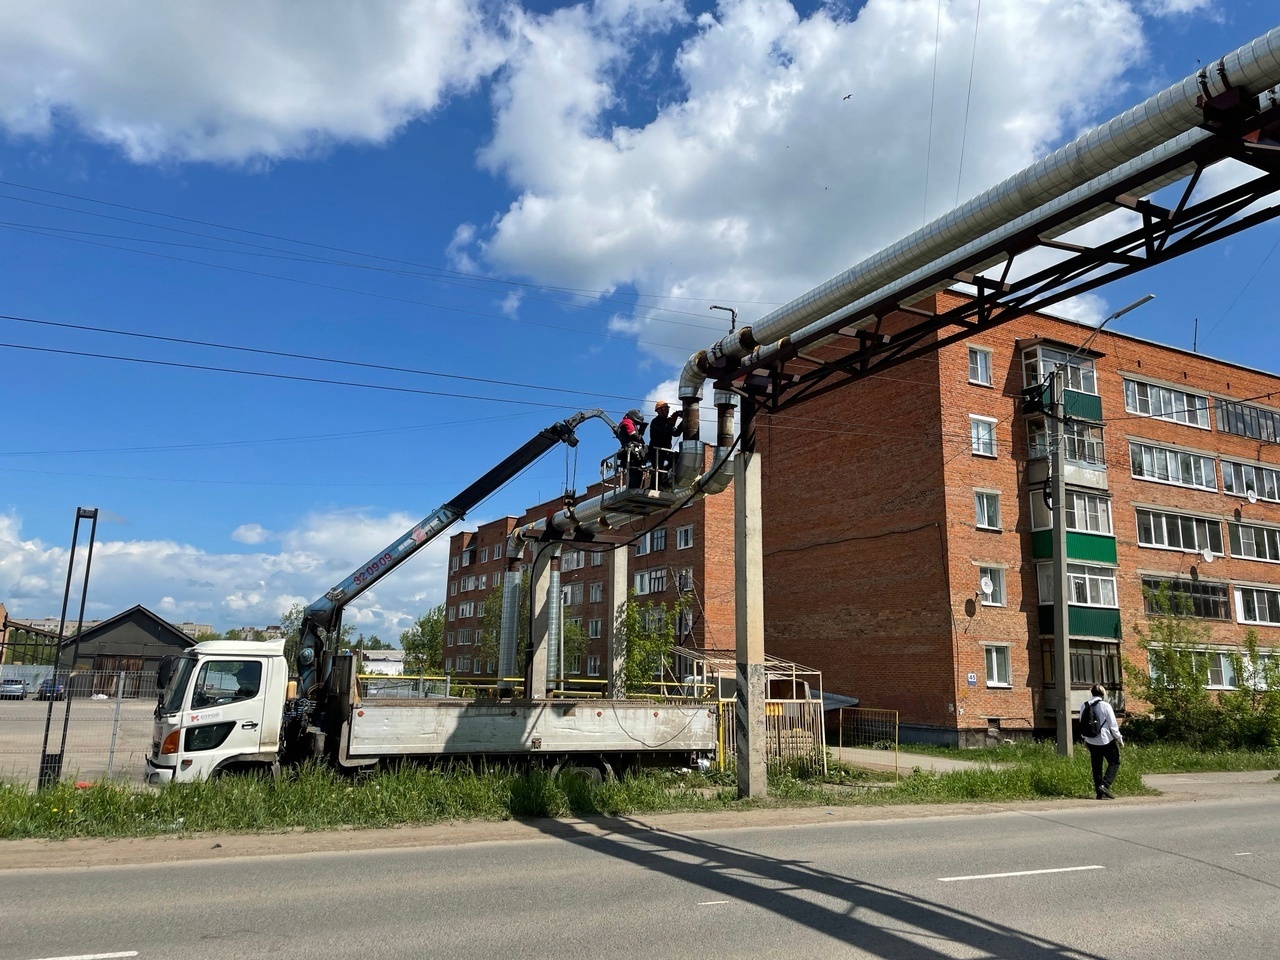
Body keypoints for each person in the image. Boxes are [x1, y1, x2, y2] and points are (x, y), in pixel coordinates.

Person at [1081, 684, 1123, 799]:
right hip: (1105, 740)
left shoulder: (1084, 705)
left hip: (1091, 740)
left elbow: (1082, 724)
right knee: (1114, 762)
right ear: (1103, 693)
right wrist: (1119, 739)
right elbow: (1113, 725)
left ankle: (1099, 794)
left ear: (1092, 693)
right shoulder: (1105, 706)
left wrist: (1085, 739)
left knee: (1096, 766)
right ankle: (1105, 785)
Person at [647, 400, 684, 488]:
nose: (667, 411)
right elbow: (666, 430)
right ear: (659, 410)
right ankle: (653, 487)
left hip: (665, 450)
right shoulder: (656, 422)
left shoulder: (667, 422)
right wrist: (673, 420)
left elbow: (675, 433)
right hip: (656, 450)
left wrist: (683, 422)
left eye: (667, 409)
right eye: (664, 409)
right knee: (657, 468)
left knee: (676, 458)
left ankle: (665, 478)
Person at [617, 408, 647, 488]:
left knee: (637, 474)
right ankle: (633, 489)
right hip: (631, 452)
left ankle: (634, 488)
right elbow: (633, 435)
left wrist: (640, 432)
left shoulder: (626, 422)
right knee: (635, 474)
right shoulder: (627, 422)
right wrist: (640, 434)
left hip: (631, 452)